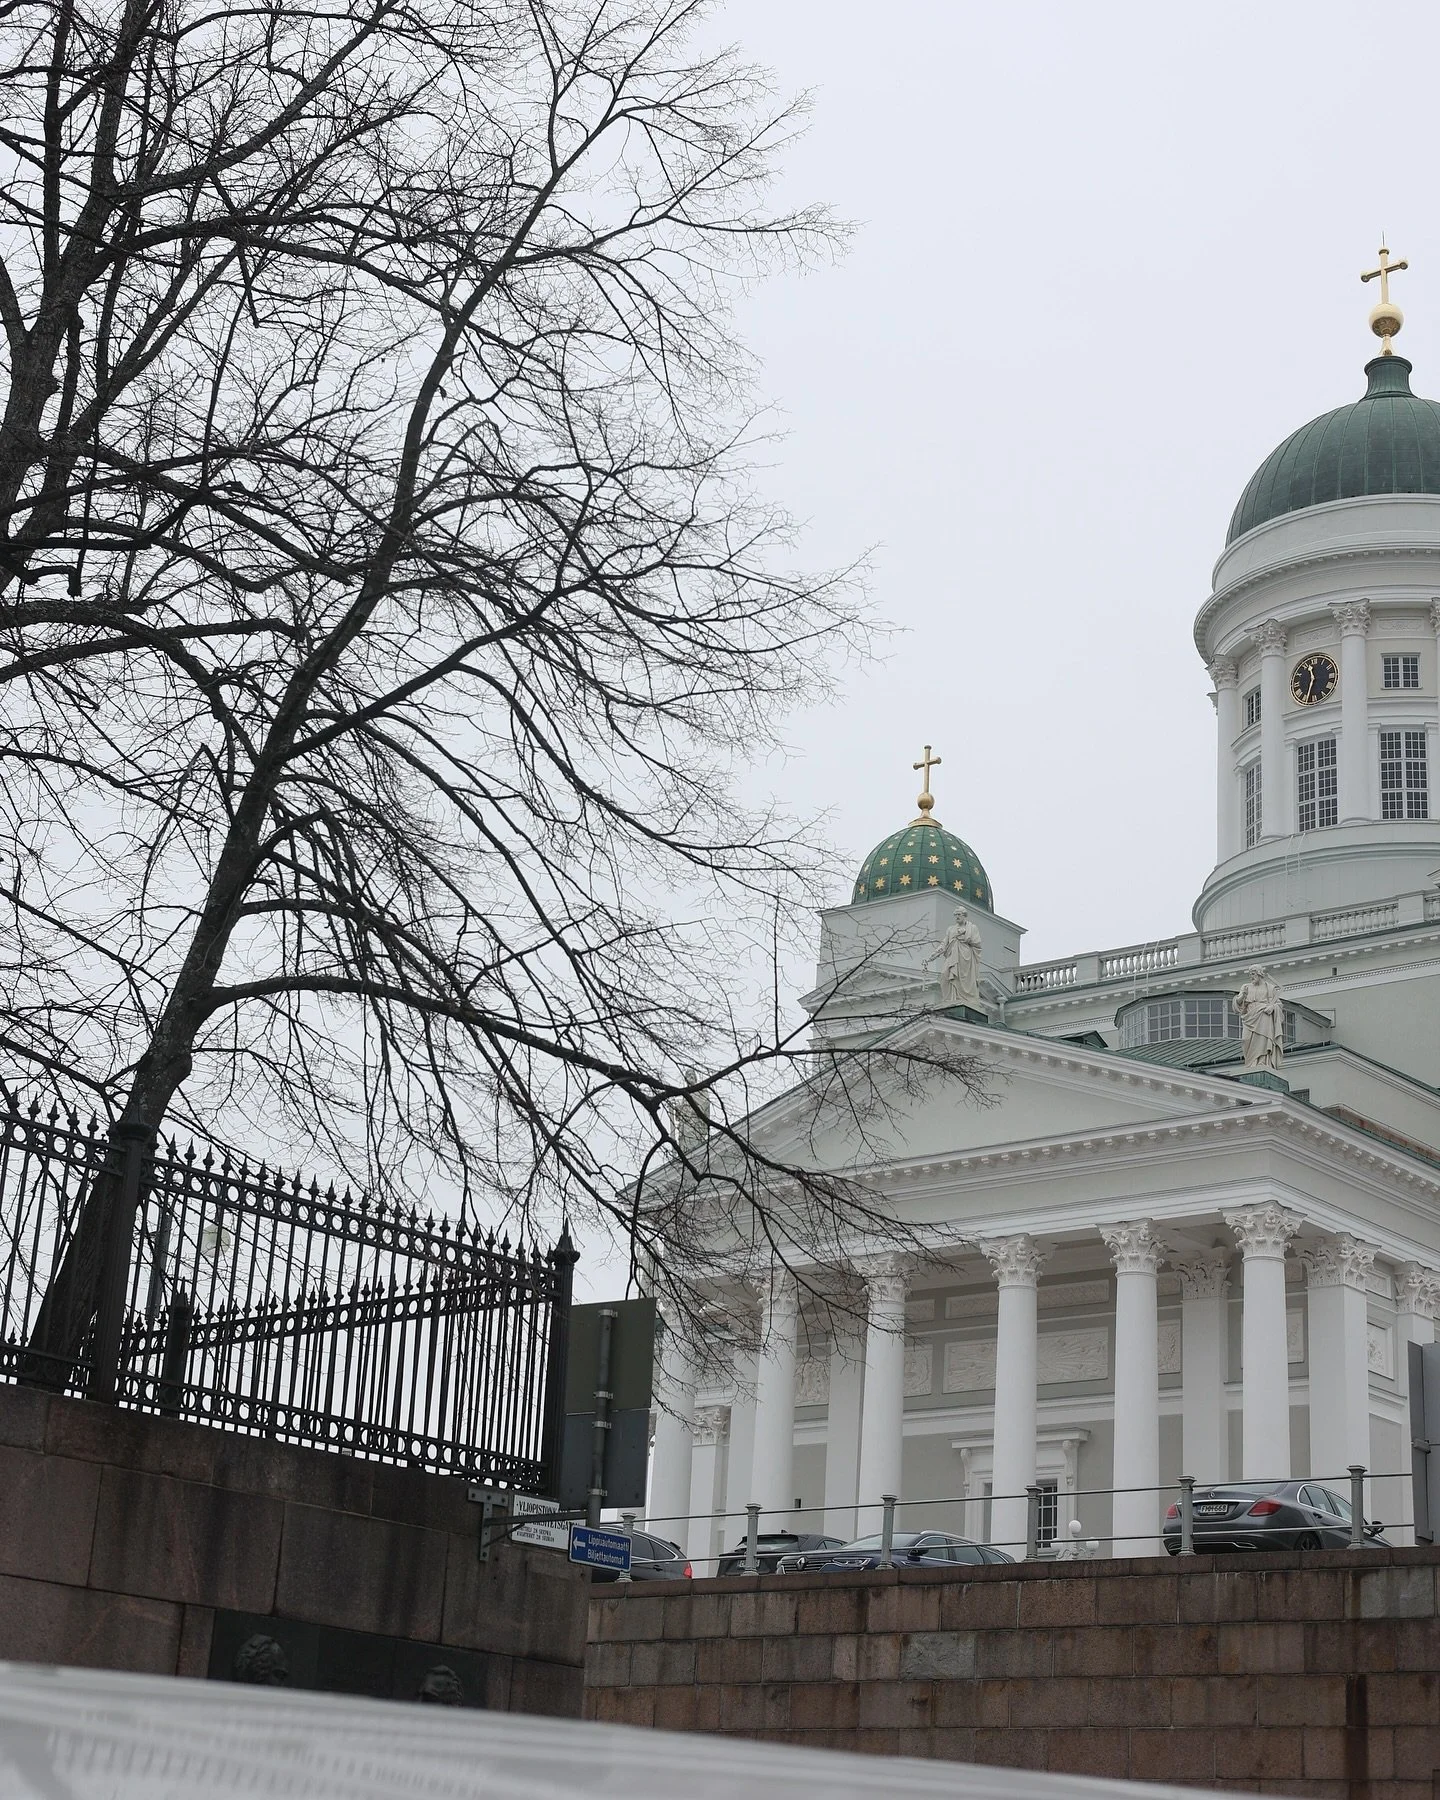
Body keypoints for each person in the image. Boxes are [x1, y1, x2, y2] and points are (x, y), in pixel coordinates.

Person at [1233, 967, 1284, 1070]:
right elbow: (1237, 1004)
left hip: (1264, 1015)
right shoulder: (1246, 987)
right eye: (1250, 974)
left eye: (1253, 974)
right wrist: (1242, 996)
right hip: (1249, 1016)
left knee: (1263, 1039)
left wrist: (1272, 1007)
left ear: (1259, 974)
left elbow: (1279, 1005)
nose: (1251, 977)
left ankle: (1262, 1062)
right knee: (1246, 1039)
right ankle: (1250, 1063)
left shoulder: (1270, 988)